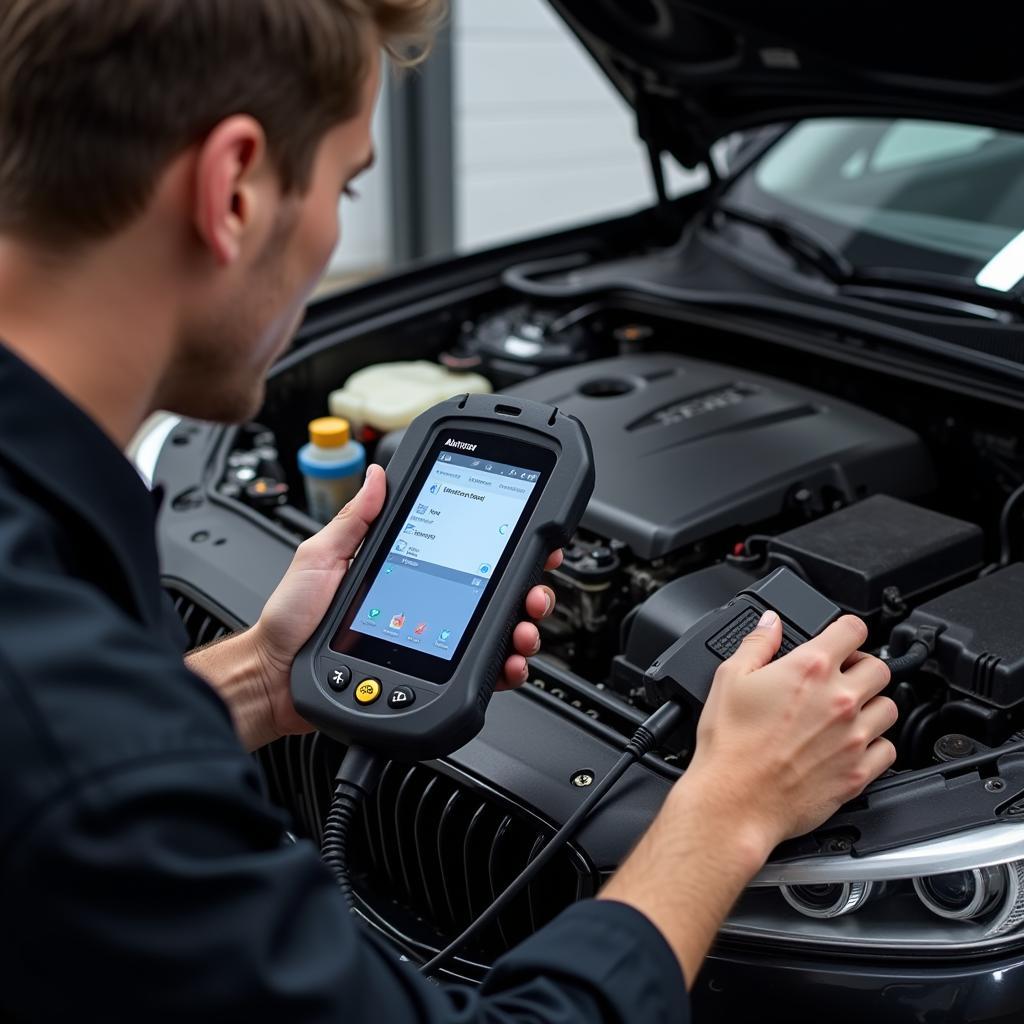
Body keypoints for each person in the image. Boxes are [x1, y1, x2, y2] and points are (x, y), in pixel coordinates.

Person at [0, 1, 898, 1021]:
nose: (340, 222)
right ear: (235, 189)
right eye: (347, 184)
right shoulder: (57, 710)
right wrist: (730, 807)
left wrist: (262, 677)